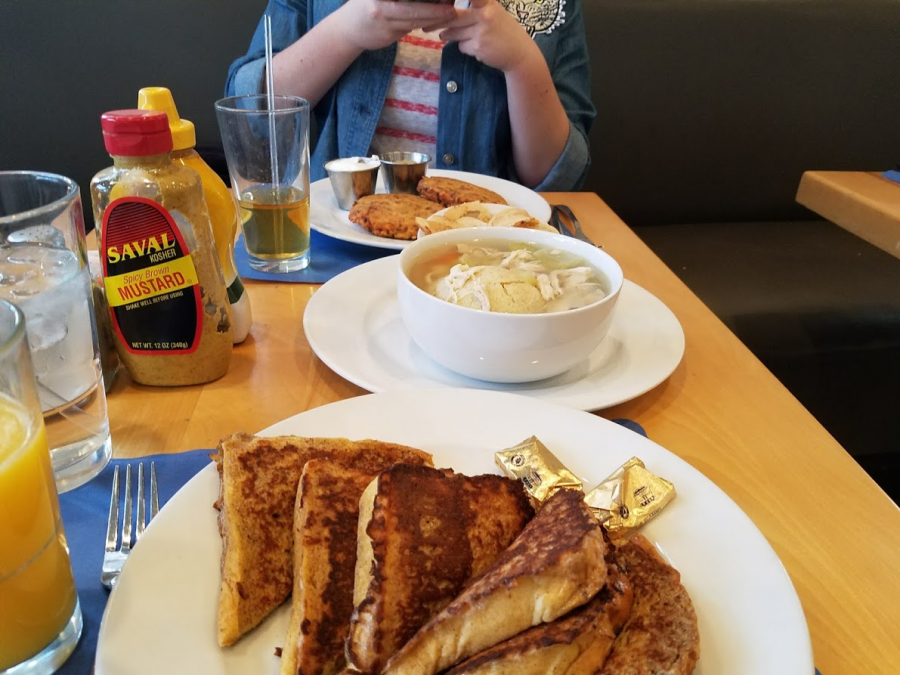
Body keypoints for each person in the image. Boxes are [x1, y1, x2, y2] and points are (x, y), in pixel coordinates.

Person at [226, 0, 594, 191]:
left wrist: (521, 61)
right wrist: (347, 30)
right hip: (338, 234)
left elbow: (557, 179)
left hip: (482, 246)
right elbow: (251, 117)